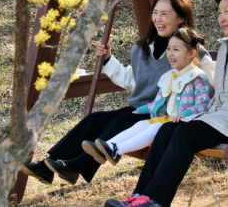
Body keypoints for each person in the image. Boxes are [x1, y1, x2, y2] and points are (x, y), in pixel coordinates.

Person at [106, 0, 228, 207]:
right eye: (219, 12)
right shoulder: (226, 44)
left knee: (185, 134)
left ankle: (154, 203)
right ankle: (140, 196)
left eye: (226, 11)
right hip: (216, 115)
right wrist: (188, 113)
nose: (221, 18)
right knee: (167, 128)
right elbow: (213, 91)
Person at [22, 0, 210, 185]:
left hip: (165, 113)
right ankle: (48, 165)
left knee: (122, 119)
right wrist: (108, 60)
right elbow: (133, 81)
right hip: (140, 109)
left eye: (165, 14)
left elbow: (208, 81)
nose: (158, 19)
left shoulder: (192, 50)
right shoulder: (142, 48)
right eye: (155, 12)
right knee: (95, 119)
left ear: (180, 17)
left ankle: (77, 164)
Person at [77, 26, 214, 168]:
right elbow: (159, 102)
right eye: (169, 49)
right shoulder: (168, 77)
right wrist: (140, 110)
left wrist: (183, 114)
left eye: (176, 50)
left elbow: (204, 104)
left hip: (186, 124)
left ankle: (119, 149)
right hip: (167, 120)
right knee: (141, 124)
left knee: (153, 129)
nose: (170, 54)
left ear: (192, 53)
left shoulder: (198, 79)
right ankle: (110, 146)